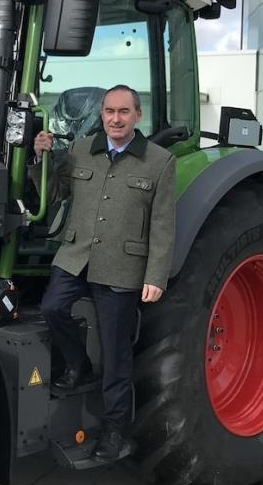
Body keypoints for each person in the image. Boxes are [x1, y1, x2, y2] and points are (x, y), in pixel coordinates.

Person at [32, 84, 176, 463]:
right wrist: (41, 158)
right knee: (51, 308)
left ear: (137, 116)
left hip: (122, 266)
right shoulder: (81, 150)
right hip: (77, 255)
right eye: (109, 111)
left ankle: (115, 431)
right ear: (102, 114)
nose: (115, 118)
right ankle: (77, 365)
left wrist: (155, 276)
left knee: (116, 354)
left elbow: (163, 225)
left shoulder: (159, 162)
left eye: (123, 112)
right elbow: (55, 193)